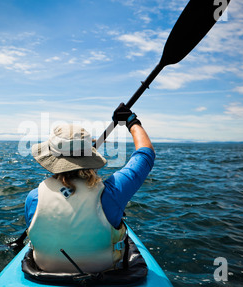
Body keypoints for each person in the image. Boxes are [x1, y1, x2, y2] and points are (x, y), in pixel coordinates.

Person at [24, 103, 155, 273]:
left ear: (50, 157)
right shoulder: (112, 193)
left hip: (44, 273)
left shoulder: (34, 198)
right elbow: (145, 155)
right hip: (107, 272)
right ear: (89, 156)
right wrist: (131, 121)